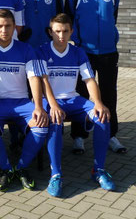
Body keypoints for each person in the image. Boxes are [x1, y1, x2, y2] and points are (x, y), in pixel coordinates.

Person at [39, 13, 114, 197]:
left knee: (102, 117)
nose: (61, 36)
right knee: (55, 120)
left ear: (71, 31)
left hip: (73, 99)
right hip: (50, 100)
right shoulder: (41, 50)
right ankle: (56, 174)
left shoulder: (78, 52)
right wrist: (53, 104)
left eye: (65, 31)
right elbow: (43, 81)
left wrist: (98, 102)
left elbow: (89, 80)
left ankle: (99, 170)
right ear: (50, 32)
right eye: (57, 31)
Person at [0, 9, 48, 191]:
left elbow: (34, 78)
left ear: (15, 27)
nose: (4, 30)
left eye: (8, 26)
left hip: (21, 102)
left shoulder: (26, 49)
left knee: (41, 125)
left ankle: (22, 167)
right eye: (0, 26)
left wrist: (38, 106)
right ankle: (6, 169)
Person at [65, 0, 126, 154]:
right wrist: (79, 42)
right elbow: (69, 21)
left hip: (109, 52)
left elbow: (112, 17)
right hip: (85, 54)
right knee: (82, 95)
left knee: (109, 94)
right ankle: (79, 137)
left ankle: (111, 135)